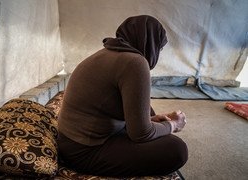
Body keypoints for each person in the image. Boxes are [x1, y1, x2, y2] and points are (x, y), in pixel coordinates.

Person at [57, 15, 188, 177]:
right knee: (176, 149)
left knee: (151, 115)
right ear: (151, 43)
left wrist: (152, 120)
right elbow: (141, 134)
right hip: (83, 152)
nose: (158, 53)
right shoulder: (136, 62)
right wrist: (173, 125)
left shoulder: (106, 53)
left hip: (70, 142)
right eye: (159, 48)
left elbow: (112, 105)